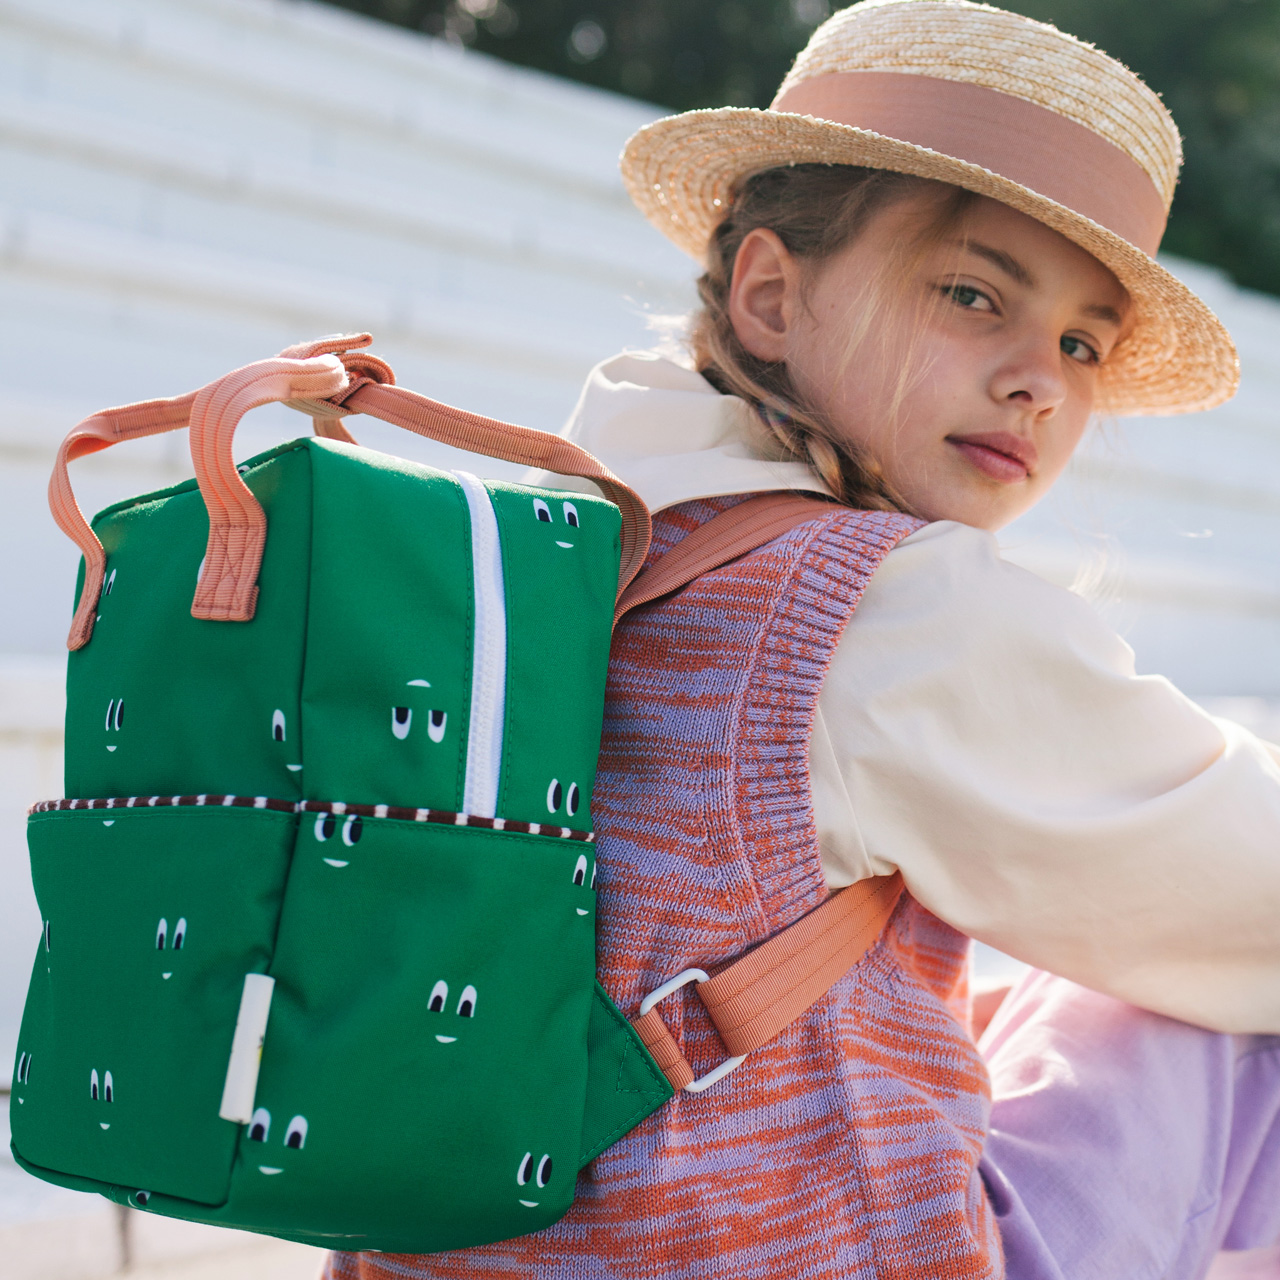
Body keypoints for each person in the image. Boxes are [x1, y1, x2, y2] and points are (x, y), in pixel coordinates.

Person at [326, 2, 1280, 1276]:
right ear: (772, 294)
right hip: (805, 1251)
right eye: (969, 291)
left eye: (1077, 342)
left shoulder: (583, 541)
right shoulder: (886, 608)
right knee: (1218, 1019)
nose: (1036, 379)